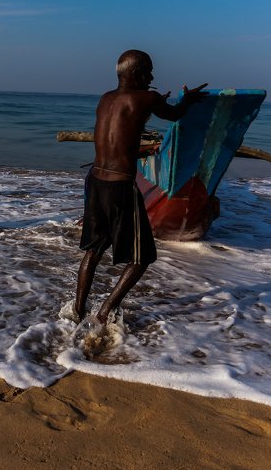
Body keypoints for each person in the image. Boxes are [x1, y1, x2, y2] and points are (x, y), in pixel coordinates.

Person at [75, 49, 207, 326]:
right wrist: (187, 100)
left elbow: (127, 123)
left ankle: (77, 310)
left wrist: (150, 106)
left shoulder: (106, 98)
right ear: (136, 74)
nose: (152, 78)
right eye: (148, 72)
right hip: (120, 186)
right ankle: (104, 313)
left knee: (94, 250)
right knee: (141, 258)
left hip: (95, 181)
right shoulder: (148, 98)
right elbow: (175, 115)